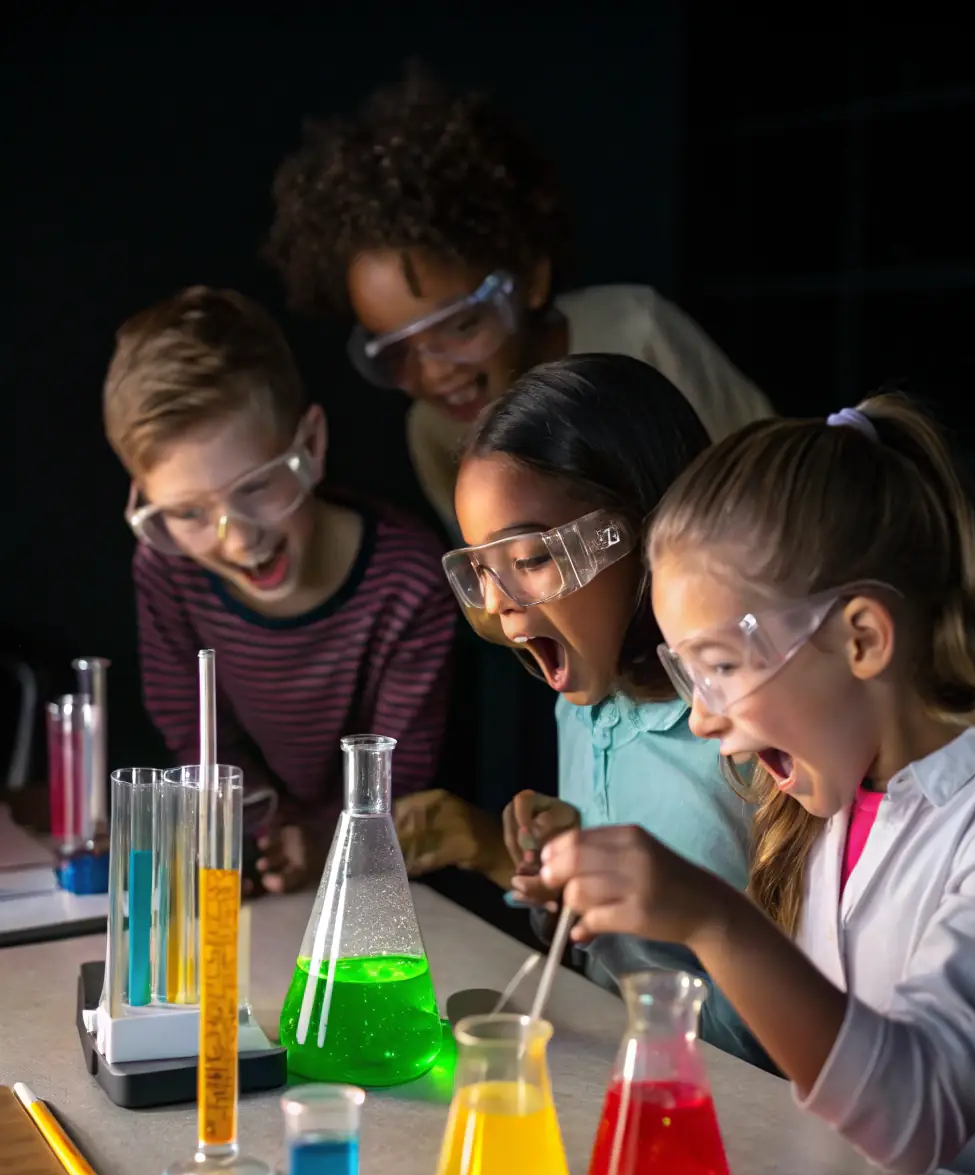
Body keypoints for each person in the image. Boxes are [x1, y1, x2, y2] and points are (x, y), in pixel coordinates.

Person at [537, 395, 975, 1175]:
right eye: (688, 673)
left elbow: (917, 1112)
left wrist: (713, 919)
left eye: (722, 666)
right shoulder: (842, 793)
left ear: (862, 637)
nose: (701, 718)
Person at [398, 353, 771, 1066]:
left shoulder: (749, 729)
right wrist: (558, 878)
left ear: (646, 530)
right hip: (623, 1079)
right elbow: (609, 961)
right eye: (481, 568)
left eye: (531, 559)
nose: (499, 603)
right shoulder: (581, 707)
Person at [264, 66, 773, 542]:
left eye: (462, 326)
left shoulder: (638, 330)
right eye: (397, 351)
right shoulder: (433, 431)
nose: (435, 372)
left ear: (529, 278)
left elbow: (767, 478)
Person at [103, 286, 457, 894]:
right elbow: (191, 728)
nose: (239, 540)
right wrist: (259, 832)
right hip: (252, 860)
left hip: (376, 875)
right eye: (187, 513)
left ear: (311, 445)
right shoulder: (166, 570)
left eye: (258, 486)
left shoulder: (410, 579)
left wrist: (325, 843)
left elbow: (399, 772)